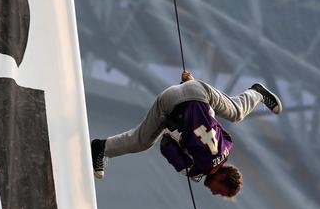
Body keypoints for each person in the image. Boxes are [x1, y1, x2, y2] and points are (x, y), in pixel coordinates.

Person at [90, 71, 283, 198]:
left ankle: (257, 93)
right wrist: (172, 132)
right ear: (222, 178)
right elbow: (166, 145)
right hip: (171, 101)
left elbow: (210, 121)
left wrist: (190, 87)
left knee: (237, 112)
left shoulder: (227, 147)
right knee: (141, 142)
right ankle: (101, 148)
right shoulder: (196, 170)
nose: (215, 193)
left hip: (199, 90)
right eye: (220, 191)